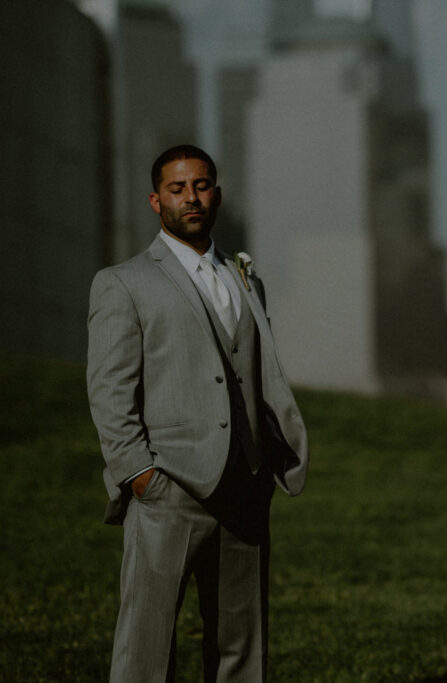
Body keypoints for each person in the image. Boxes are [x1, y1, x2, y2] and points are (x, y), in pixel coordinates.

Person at [87, 144, 309, 681]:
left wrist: (265, 464)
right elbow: (109, 393)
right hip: (168, 491)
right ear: (155, 199)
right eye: (177, 188)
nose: (191, 197)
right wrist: (140, 475)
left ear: (216, 193)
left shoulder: (245, 279)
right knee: (144, 651)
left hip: (245, 489)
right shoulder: (124, 282)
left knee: (241, 652)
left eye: (201, 185)